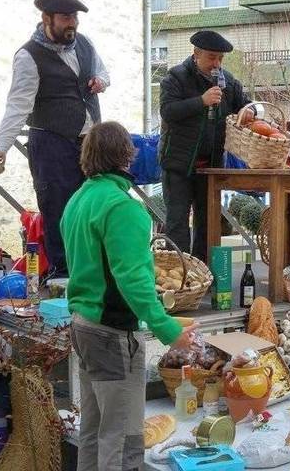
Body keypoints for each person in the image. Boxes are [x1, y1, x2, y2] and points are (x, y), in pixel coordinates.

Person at [60, 121, 196, 470]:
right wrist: (169, 331)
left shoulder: (78, 199)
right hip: (111, 333)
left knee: (92, 433)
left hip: (83, 326)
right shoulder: (123, 207)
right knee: (122, 443)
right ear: (127, 156)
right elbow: (133, 281)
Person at [0, 0, 109, 279]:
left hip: (89, 142)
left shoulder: (85, 43)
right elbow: (18, 104)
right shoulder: (28, 56)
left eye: (75, 18)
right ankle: (61, 275)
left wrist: (100, 81)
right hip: (51, 141)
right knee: (58, 209)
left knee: (92, 207)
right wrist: (1, 147)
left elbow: (104, 73)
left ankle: (93, 273)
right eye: (66, 18)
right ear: (47, 19)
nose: (72, 24)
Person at [159, 30, 250, 261]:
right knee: (177, 223)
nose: (216, 64)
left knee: (207, 223)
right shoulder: (176, 77)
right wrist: (201, 101)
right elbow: (168, 111)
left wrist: (250, 111)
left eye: (220, 58)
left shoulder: (228, 81)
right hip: (179, 164)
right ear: (196, 54)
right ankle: (179, 277)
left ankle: (204, 275)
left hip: (211, 166)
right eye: (211, 57)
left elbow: (248, 106)